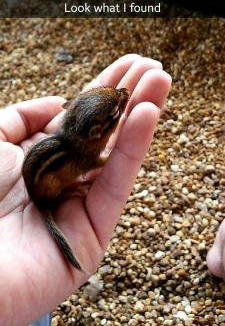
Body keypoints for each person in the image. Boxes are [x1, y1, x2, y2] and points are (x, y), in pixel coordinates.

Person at [0, 54, 173, 325]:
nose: (122, 96)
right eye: (116, 112)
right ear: (95, 133)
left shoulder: (70, 134)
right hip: (47, 190)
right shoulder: (84, 153)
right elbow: (100, 161)